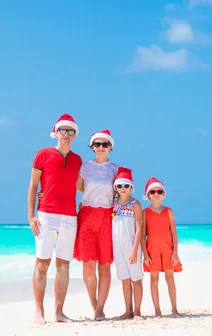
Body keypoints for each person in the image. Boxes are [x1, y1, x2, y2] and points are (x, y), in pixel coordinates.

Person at [27, 113, 83, 325]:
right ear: (56, 132)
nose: (66, 135)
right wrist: (31, 216)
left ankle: (59, 312)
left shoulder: (78, 160)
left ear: (75, 135)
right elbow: (33, 186)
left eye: (71, 132)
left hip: (70, 217)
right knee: (42, 264)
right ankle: (38, 311)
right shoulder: (43, 154)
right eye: (63, 131)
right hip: (46, 216)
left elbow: (81, 186)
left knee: (64, 266)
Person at [73, 129, 118, 321]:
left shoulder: (117, 169)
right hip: (87, 216)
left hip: (108, 216)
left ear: (110, 147)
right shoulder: (84, 167)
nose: (101, 147)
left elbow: (123, 192)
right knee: (88, 265)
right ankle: (94, 306)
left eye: (104, 144)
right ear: (92, 147)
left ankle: (101, 308)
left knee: (105, 266)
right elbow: (78, 187)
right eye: (97, 144)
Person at [141, 177, 183, 318]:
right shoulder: (144, 212)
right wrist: (145, 254)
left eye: (159, 191)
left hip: (167, 248)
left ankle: (174, 309)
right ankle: (157, 311)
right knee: (154, 279)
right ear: (148, 195)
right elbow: (142, 235)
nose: (156, 194)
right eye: (153, 192)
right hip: (152, 248)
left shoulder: (169, 211)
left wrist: (175, 252)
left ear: (163, 193)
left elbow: (173, 232)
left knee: (170, 278)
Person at [111, 166, 144, 320]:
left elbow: (139, 229)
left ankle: (137, 311)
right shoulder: (114, 203)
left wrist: (134, 250)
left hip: (132, 247)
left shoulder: (135, 204)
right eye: (119, 185)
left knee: (136, 278)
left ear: (131, 187)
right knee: (124, 279)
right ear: (115, 187)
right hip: (118, 247)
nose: (123, 188)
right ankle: (128, 311)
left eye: (126, 185)